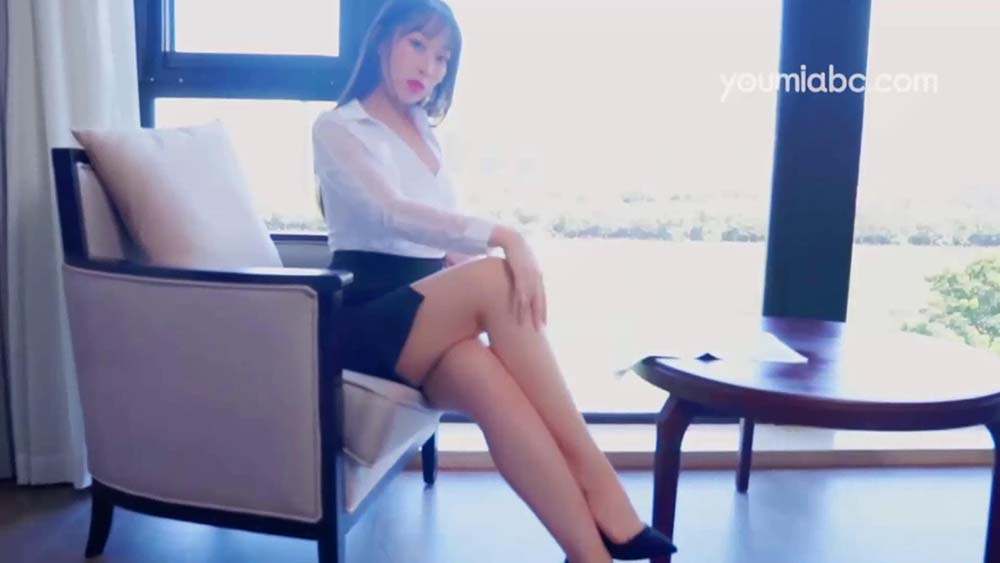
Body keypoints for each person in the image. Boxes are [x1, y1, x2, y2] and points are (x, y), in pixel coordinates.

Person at [312, 1, 677, 561]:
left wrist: (486, 282)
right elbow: (392, 212)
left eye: (443, 58)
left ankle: (590, 554)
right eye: (417, 45)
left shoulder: (423, 132)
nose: (429, 67)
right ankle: (598, 478)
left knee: (489, 381)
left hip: (419, 316)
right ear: (383, 40)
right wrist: (505, 238)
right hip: (361, 319)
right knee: (495, 274)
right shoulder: (338, 128)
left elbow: (440, 244)